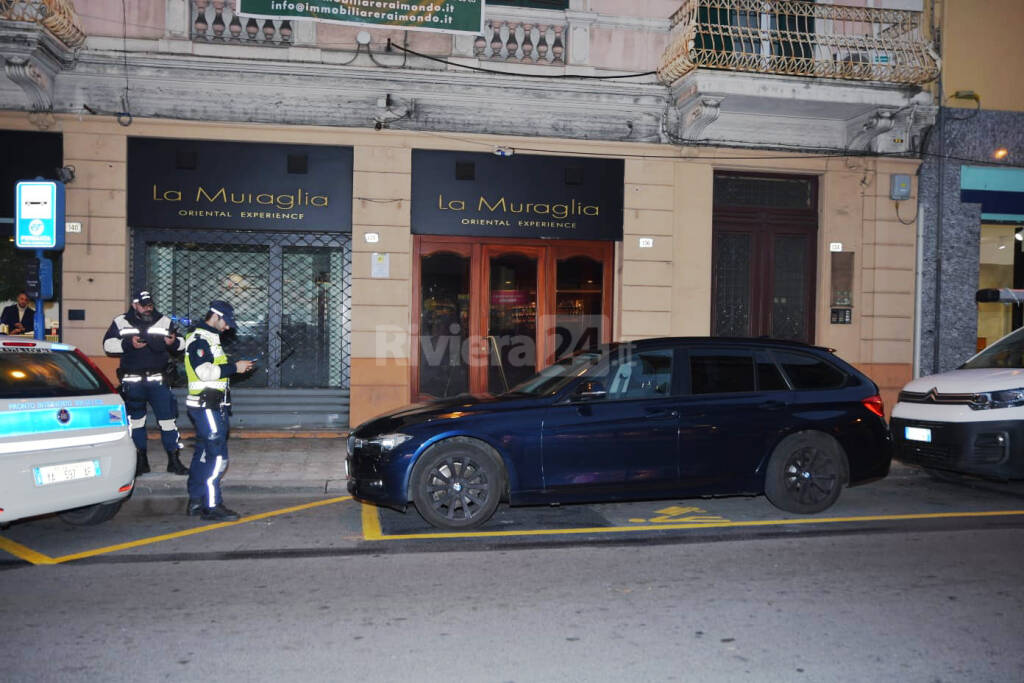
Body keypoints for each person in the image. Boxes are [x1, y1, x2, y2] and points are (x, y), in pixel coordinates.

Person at [103, 288, 188, 476]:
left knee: (168, 421)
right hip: (133, 382)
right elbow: (107, 345)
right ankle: (141, 461)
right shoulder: (121, 321)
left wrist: (172, 343)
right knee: (136, 422)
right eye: (143, 305)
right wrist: (128, 344)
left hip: (158, 381)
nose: (148, 308)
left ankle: (174, 460)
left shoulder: (164, 321)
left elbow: (182, 344)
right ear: (134, 305)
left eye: (150, 304)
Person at [184, 300, 254, 521]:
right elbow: (204, 372)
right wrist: (235, 368)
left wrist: (234, 366)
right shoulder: (200, 339)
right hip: (207, 406)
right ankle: (212, 505)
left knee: (203, 454)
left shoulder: (209, 339)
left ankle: (196, 501)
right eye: (226, 323)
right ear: (215, 316)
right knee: (217, 457)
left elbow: (214, 369)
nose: (227, 328)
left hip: (211, 405)